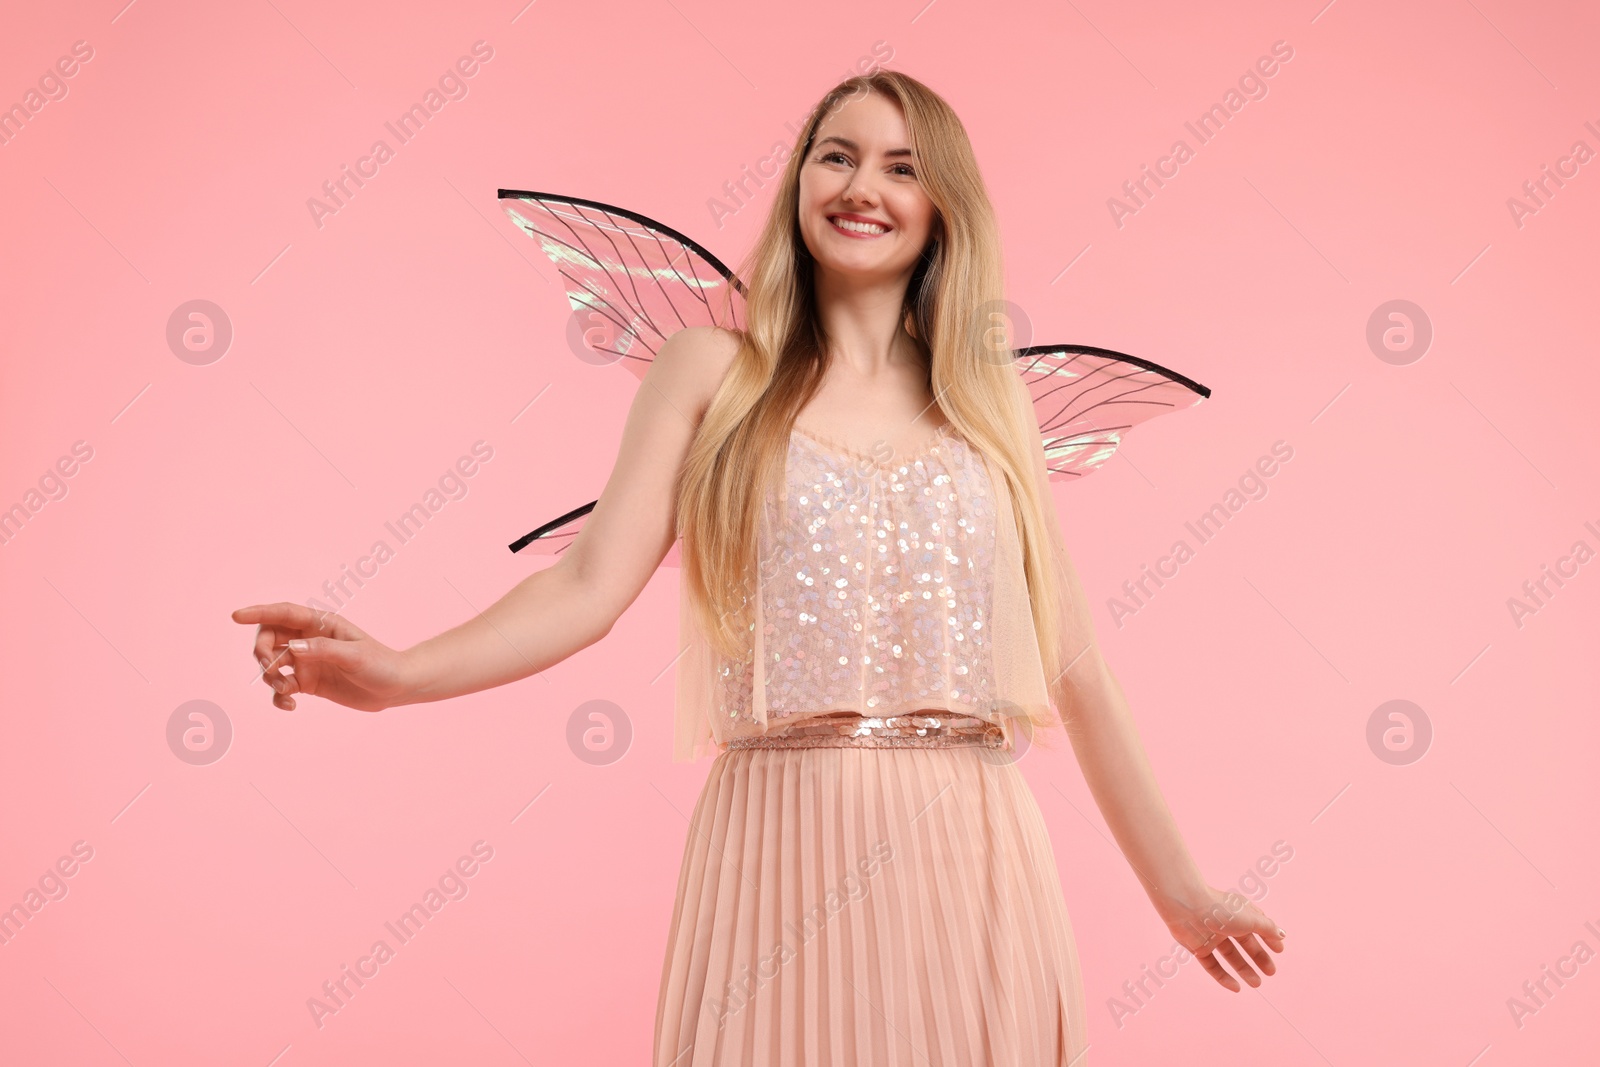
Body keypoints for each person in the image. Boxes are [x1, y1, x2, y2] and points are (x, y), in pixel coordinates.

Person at [233, 70, 1285, 1066]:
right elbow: (586, 585)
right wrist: (400, 672)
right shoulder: (712, 371)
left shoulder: (990, 403)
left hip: (971, 847)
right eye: (835, 155)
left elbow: (1075, 663)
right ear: (797, 186)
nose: (861, 185)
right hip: (777, 840)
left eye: (901, 165)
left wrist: (1181, 892)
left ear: (944, 207)